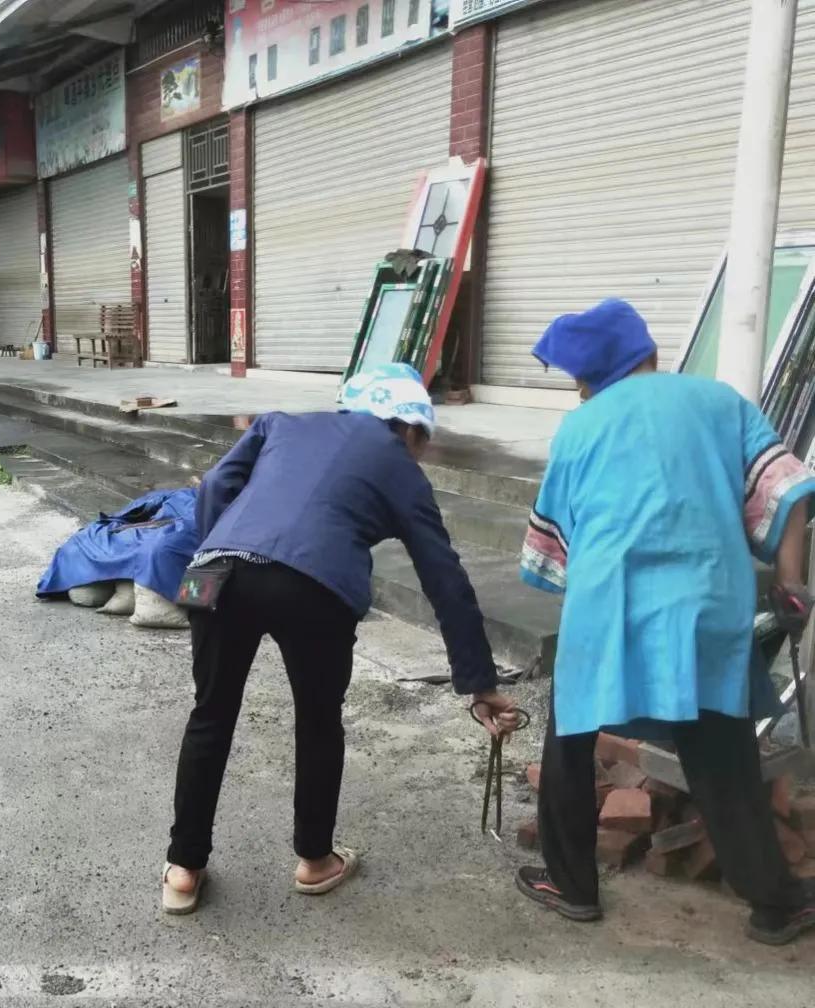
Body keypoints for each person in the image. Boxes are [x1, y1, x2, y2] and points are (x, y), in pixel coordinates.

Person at [161, 363, 519, 915]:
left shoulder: (282, 423)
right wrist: (479, 683)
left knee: (210, 711)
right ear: (410, 429)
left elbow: (214, 486)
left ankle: (183, 870)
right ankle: (314, 861)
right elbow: (444, 577)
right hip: (315, 586)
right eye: (423, 441)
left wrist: (208, 561)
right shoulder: (399, 465)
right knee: (318, 720)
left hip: (218, 567)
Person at [516, 298, 815, 946]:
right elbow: (790, 491)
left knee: (569, 736)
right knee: (721, 753)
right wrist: (793, 586)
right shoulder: (719, 402)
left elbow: (554, 547)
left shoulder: (580, 427)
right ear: (648, 354)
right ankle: (775, 903)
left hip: (610, 605)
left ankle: (572, 889)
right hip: (708, 604)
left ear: (589, 379)